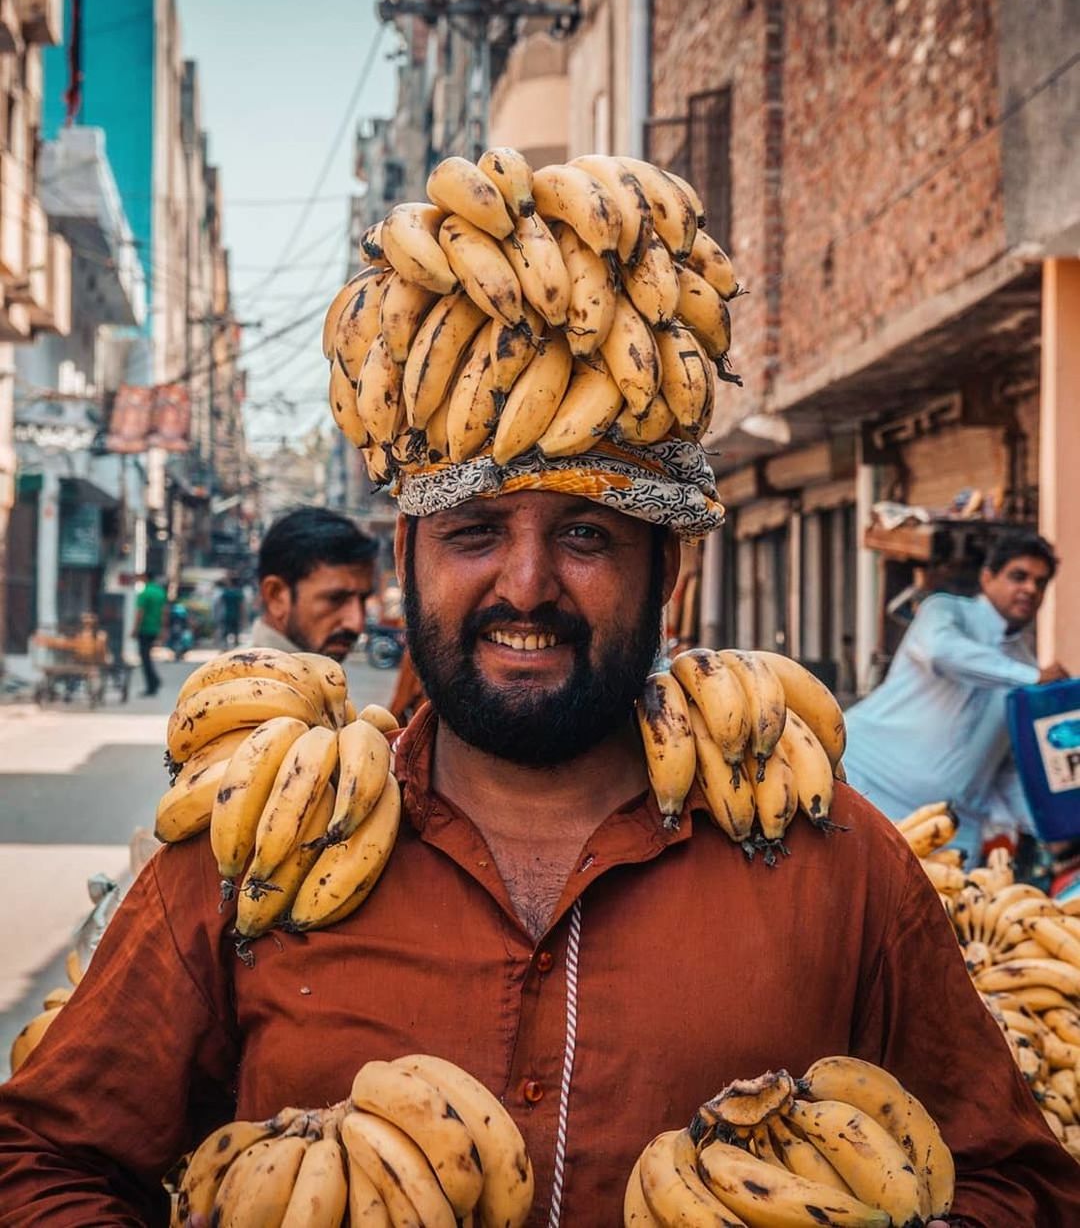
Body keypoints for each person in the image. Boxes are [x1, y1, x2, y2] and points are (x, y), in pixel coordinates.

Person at [0, 441, 1077, 1223]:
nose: (526, 585)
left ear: (672, 573)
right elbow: (41, 1159)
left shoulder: (834, 862)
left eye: (587, 535)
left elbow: (1016, 1177)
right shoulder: (255, 852)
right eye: (474, 532)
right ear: (410, 561)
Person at [844, 532, 1068, 862]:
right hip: (867, 788)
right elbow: (942, 653)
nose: (1030, 590)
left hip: (947, 831)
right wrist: (1032, 679)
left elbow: (1004, 768)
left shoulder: (1023, 664)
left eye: (1041, 582)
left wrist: (1051, 828)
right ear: (988, 576)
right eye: (1019, 576)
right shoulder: (944, 613)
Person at [249, 506, 378, 662]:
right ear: (276, 596)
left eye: (363, 600)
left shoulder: (313, 679)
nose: (356, 624)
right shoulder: (242, 684)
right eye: (335, 599)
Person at [131, 570, 167, 697]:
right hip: (155, 629)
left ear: (145, 577)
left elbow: (140, 613)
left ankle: (152, 685)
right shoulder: (160, 592)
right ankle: (154, 682)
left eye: (140, 577)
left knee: (145, 658)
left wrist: (135, 629)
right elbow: (164, 612)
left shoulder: (145, 593)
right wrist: (163, 629)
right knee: (147, 657)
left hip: (144, 629)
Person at [217, 575, 245, 649]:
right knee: (236, 632)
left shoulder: (226, 592)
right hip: (236, 615)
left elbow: (220, 603)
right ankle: (236, 647)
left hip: (227, 615)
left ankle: (225, 647)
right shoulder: (238, 592)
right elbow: (241, 606)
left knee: (226, 632)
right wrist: (243, 617)